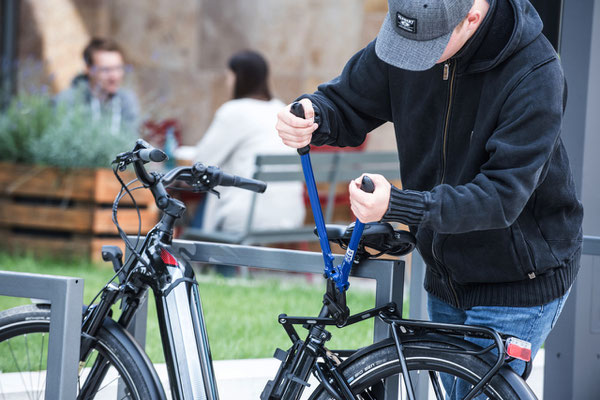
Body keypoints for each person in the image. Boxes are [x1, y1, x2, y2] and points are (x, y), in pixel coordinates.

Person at [276, 0, 583, 397]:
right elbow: (347, 102)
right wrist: (312, 114)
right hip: (444, 272)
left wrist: (397, 205)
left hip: (517, 279)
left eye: (426, 46)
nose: (411, 58)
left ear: (472, 16)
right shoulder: (416, 28)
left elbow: (500, 198)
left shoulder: (536, 72)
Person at [190, 50, 305, 236]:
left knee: (204, 203)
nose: (227, 82)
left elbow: (201, 163)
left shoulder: (234, 111)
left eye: (229, 76)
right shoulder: (280, 109)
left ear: (238, 78)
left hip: (247, 217)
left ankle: (199, 264)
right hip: (290, 215)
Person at [56, 37, 139, 134]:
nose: (114, 77)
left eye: (118, 68)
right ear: (88, 69)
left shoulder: (127, 100)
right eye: (106, 70)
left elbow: (131, 139)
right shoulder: (67, 100)